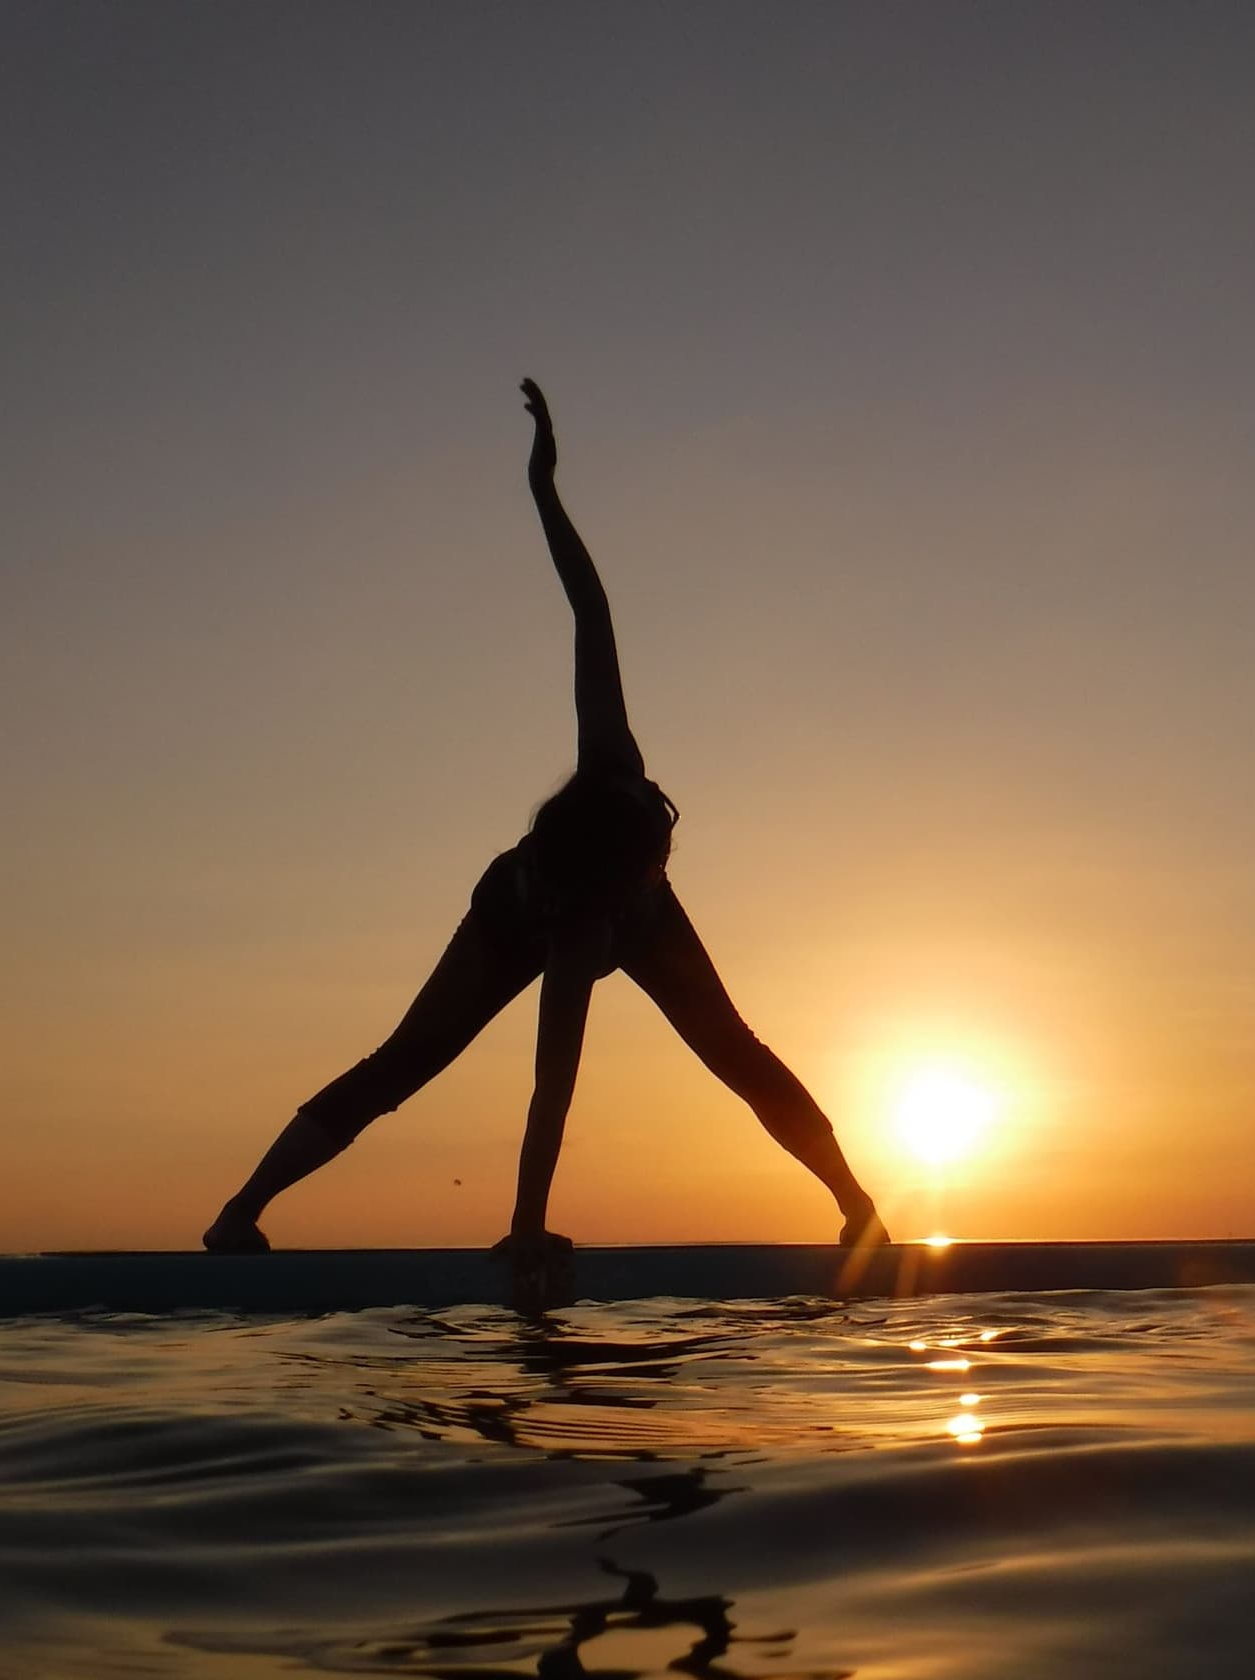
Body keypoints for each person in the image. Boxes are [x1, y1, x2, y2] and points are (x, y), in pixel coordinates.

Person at [205, 381, 883, 1299]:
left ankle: (857, 1206)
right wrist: (526, 1227)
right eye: (647, 875)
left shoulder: (613, 763)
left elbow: (590, 611)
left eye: (659, 865)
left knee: (736, 1053)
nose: (660, 873)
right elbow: (550, 1091)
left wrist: (544, 493)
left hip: (600, 897)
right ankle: (239, 1212)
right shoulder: (567, 936)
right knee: (405, 1062)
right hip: (515, 916)